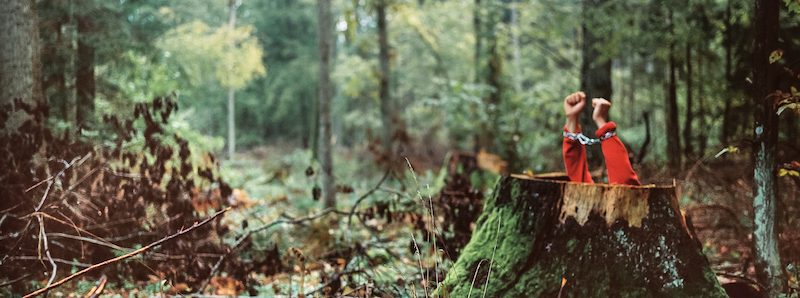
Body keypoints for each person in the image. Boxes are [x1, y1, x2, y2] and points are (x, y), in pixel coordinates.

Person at [562, 91, 640, 185]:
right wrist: (572, 118)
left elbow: (626, 188)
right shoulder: (585, 193)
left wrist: (602, 124)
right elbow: (578, 181)